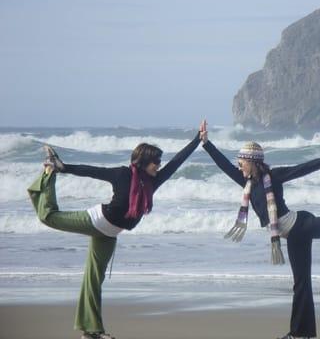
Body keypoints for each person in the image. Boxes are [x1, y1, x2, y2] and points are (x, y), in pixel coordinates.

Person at [27, 125, 203, 339]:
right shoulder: (122, 174)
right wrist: (63, 168)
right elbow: (93, 171)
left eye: (159, 161)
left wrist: (197, 140)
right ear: (143, 162)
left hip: (110, 233)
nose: (159, 165)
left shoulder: (152, 182)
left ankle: (91, 332)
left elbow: (177, 162)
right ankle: (48, 174)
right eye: (155, 161)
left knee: (93, 279)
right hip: (96, 220)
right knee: (48, 217)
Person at [199, 122, 320, 339]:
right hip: (295, 233)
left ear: (252, 162)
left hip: (300, 226)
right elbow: (223, 165)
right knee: (302, 283)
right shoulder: (246, 182)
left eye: (241, 163)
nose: (239, 167)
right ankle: (302, 334)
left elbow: (302, 168)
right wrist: (206, 143)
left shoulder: (273, 177)